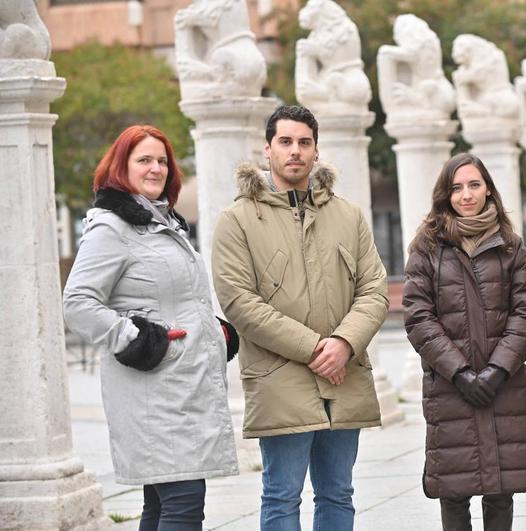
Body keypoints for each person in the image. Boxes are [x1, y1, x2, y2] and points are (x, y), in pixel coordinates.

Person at [211, 105, 388, 531]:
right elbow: (240, 303)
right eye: (285, 142)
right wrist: (315, 348)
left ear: (316, 150)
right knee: (281, 495)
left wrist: (343, 344)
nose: (295, 151)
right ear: (267, 149)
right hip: (279, 378)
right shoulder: (236, 221)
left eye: (304, 143)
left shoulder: (348, 215)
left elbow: (374, 288)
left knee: (338, 494)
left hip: (343, 375)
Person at [63, 124, 240, 531]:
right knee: (184, 503)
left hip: (180, 386)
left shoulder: (161, 221)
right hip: (152, 392)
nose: (156, 168)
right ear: (120, 166)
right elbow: (77, 303)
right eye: (144, 159)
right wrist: (137, 338)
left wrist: (214, 331)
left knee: (162, 506)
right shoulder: (112, 227)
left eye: (162, 160)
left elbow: (170, 297)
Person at [403, 153, 526, 530]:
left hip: (504, 384)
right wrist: (460, 372)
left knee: (501, 488)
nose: (466, 195)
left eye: (474, 185)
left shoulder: (510, 245)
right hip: (450, 387)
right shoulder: (427, 247)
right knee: (454, 488)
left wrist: (498, 370)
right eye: (457, 187)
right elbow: (418, 316)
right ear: (445, 195)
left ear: (488, 190)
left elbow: (525, 312)